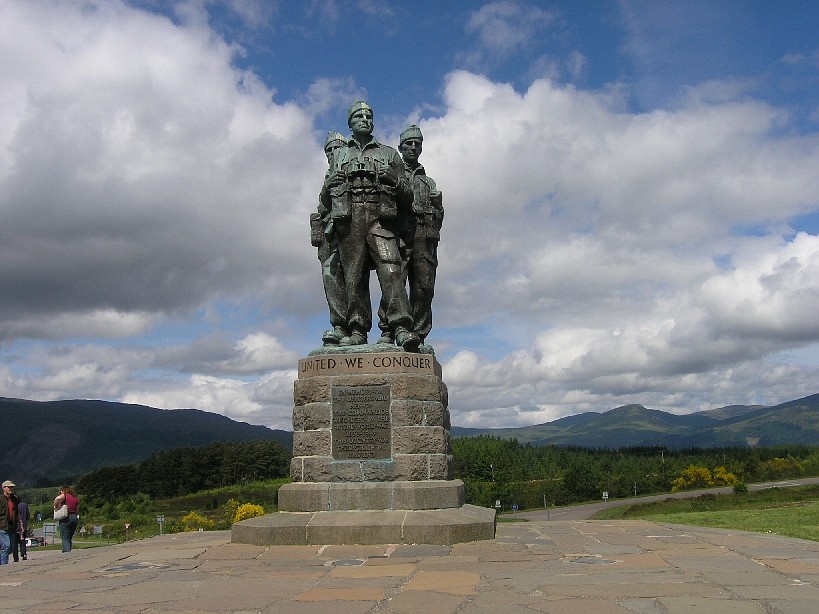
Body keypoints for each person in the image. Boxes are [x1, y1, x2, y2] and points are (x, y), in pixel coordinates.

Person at [323, 101, 420, 350]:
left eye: (368, 116)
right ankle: (357, 329)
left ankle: (400, 326)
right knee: (353, 276)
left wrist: (395, 181)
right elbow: (325, 199)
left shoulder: (389, 154)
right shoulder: (340, 155)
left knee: (391, 270)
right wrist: (327, 185)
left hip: (380, 217)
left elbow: (408, 195)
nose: (365, 119)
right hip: (350, 217)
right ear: (350, 123)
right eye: (359, 116)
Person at [377, 125, 443, 346]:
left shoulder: (428, 182)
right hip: (401, 233)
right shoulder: (393, 173)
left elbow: (438, 220)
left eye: (417, 144)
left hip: (425, 236)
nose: (413, 148)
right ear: (400, 147)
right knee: (395, 279)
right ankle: (388, 329)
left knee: (424, 287)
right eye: (409, 144)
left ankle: (418, 333)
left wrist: (439, 207)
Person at [313, 131, 352, 346]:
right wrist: (328, 188)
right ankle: (340, 325)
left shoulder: (351, 167)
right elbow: (322, 205)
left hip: (354, 231)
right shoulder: (328, 176)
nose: (333, 153)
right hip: (331, 234)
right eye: (329, 150)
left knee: (356, 279)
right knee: (330, 274)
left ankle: (364, 329)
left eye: (337, 148)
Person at [54, 486, 79, 553]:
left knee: (65, 537)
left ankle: (66, 552)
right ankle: (68, 550)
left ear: (64, 491)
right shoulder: (75, 498)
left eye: (61, 491)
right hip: (74, 517)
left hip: (66, 517)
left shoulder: (64, 496)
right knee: (69, 537)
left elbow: (57, 498)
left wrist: (56, 505)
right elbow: (77, 509)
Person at [0, 481, 11, 564]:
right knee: (6, 546)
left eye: (12, 487)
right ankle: (4, 566)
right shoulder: (1, 499)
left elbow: (16, 512)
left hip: (11, 526)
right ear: (4, 488)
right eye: (9, 487)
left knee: (10, 548)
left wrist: (20, 524)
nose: (11, 489)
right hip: (2, 526)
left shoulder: (14, 499)